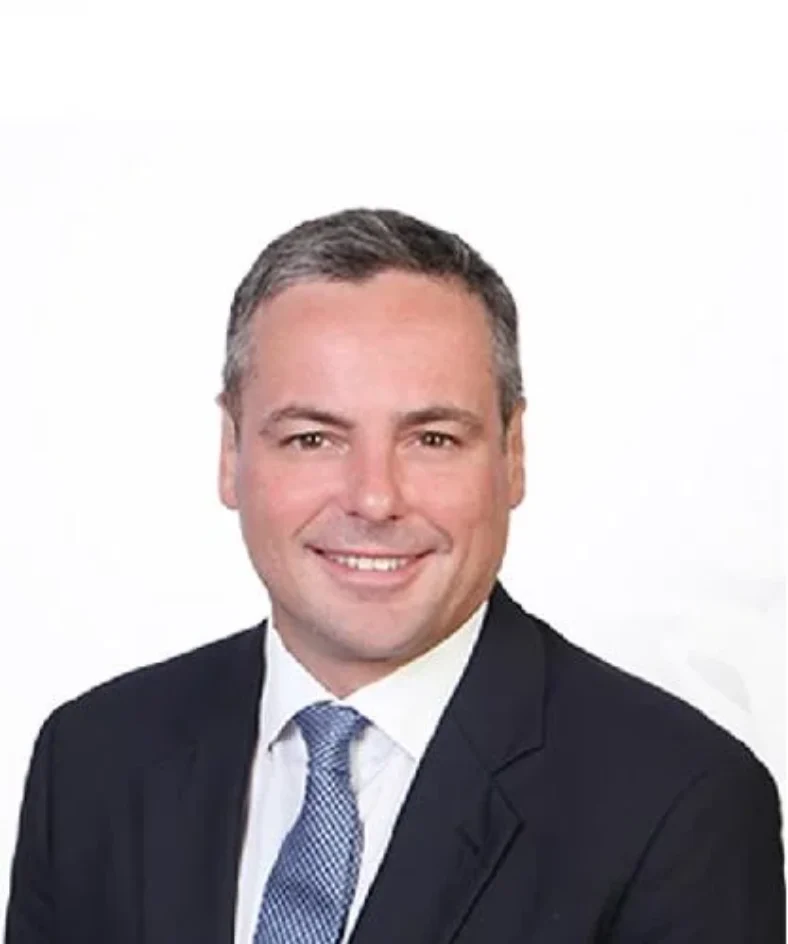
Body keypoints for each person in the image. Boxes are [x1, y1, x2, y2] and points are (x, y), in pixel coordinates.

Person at [4, 208, 784, 944]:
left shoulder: (680, 804)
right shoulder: (93, 759)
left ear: (512, 453)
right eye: (313, 439)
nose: (374, 499)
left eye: (432, 439)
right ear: (230, 452)